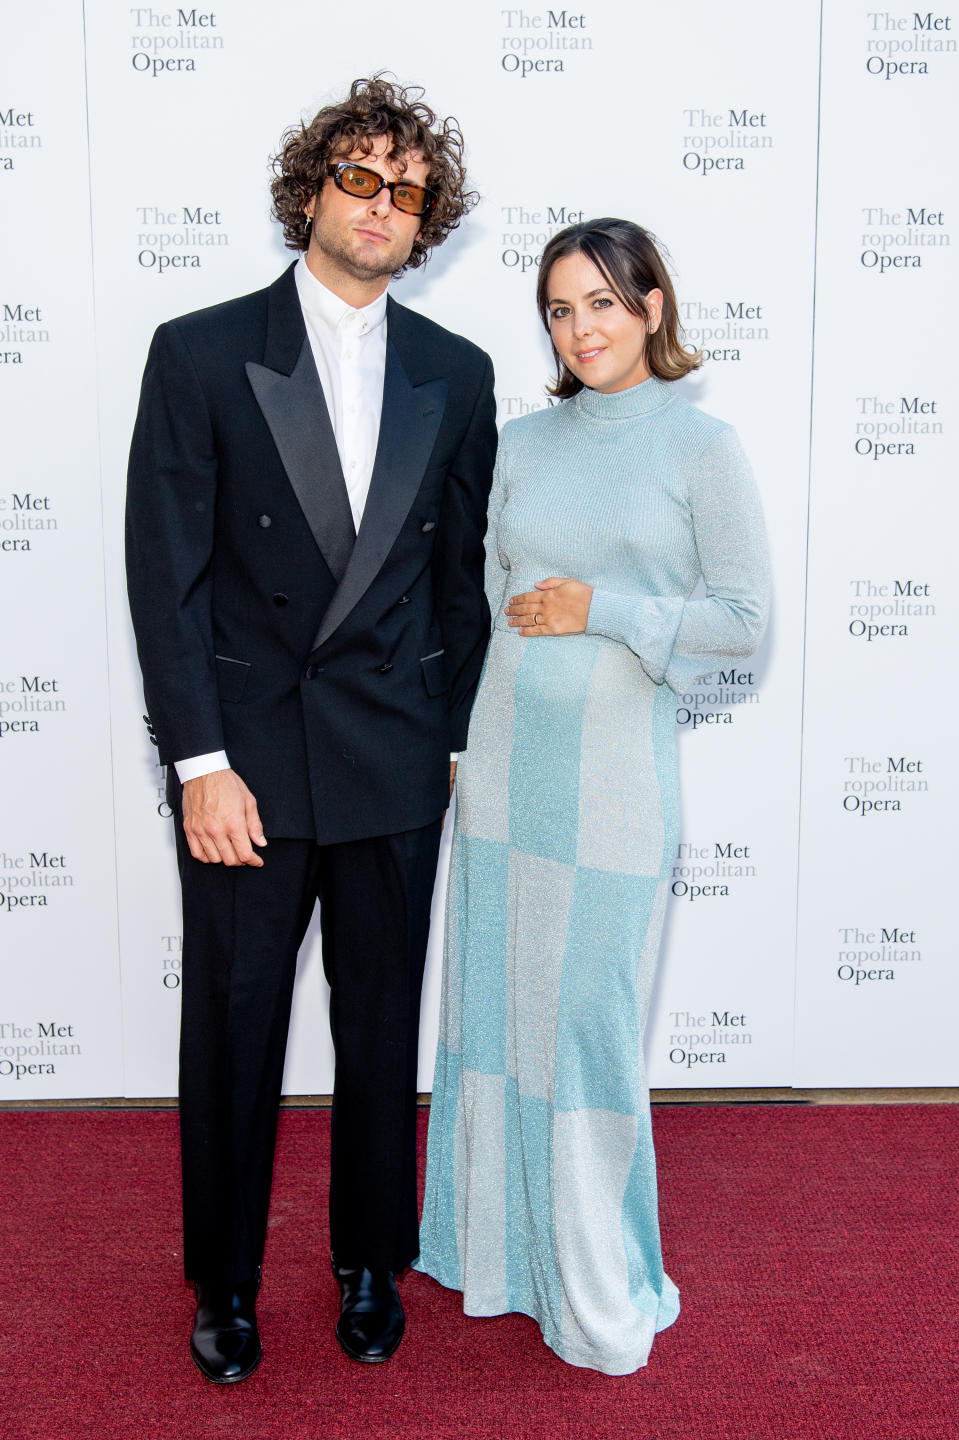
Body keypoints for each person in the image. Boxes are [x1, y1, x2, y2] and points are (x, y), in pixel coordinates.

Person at [125, 76, 496, 1380]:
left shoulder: (460, 373)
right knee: (231, 1022)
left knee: (381, 1023)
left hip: (393, 756)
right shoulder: (201, 350)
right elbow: (164, 572)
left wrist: (450, 741)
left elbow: (461, 584)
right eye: (361, 178)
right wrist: (199, 762)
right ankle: (222, 1280)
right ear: (311, 191)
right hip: (250, 763)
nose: (382, 205)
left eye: (408, 190)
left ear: (425, 219)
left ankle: (364, 1263)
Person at [417, 218, 769, 1374]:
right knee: (495, 1021)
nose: (582, 328)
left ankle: (598, 1283)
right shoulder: (523, 439)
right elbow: (481, 598)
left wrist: (604, 608)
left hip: (617, 777)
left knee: (585, 1032)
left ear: (654, 306)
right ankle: (503, 1261)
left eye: (604, 303)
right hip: (506, 769)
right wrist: (459, 745)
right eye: (562, 310)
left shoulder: (701, 448)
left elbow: (744, 628)